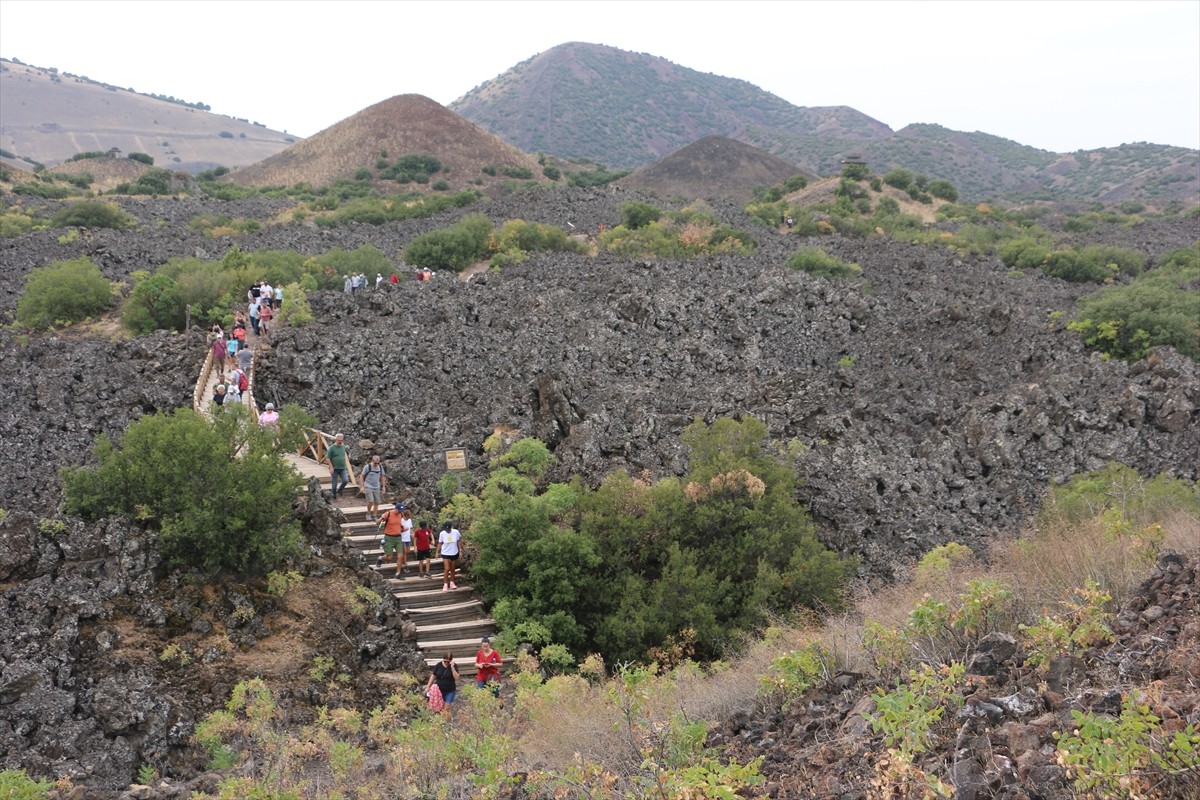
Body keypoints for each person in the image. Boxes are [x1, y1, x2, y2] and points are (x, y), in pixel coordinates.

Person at [425, 653, 459, 719]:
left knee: (447, 707)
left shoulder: (454, 666)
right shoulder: (438, 665)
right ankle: (440, 721)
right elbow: (433, 676)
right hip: (439, 691)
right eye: (445, 661)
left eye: (448, 662)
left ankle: (446, 721)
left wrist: (452, 668)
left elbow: (456, 677)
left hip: (450, 690)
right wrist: (428, 686)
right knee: (439, 707)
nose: (446, 663)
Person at [376, 502, 406, 571]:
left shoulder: (401, 514)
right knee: (389, 557)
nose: (400, 512)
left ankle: (398, 573)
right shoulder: (388, 514)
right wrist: (381, 518)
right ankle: (380, 558)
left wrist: (402, 528)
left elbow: (399, 524)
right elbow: (377, 523)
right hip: (389, 537)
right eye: (399, 510)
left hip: (398, 537)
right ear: (395, 509)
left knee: (400, 556)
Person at [359, 455, 387, 521]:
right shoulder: (367, 467)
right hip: (368, 486)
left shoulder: (380, 467)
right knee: (370, 501)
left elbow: (382, 477)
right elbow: (362, 476)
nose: (376, 464)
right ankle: (368, 513)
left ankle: (374, 515)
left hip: (377, 486)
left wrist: (383, 487)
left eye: (378, 463)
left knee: (377, 502)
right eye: (375, 463)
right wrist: (362, 487)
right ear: (372, 461)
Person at [325, 433, 349, 499]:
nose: (340, 441)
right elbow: (328, 458)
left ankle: (340, 490)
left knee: (345, 480)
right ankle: (334, 496)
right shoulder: (332, 448)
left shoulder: (343, 446)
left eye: (341, 440)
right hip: (334, 468)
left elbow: (344, 455)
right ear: (336, 439)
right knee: (334, 483)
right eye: (339, 440)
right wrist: (331, 467)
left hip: (342, 468)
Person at [438, 521, 461, 592]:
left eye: (448, 529)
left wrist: (460, 550)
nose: (447, 531)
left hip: (454, 552)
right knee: (447, 568)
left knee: (452, 568)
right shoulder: (442, 533)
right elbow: (440, 543)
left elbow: (459, 541)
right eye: (446, 529)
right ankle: (445, 584)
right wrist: (437, 552)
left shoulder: (456, 532)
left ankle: (452, 582)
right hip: (445, 552)